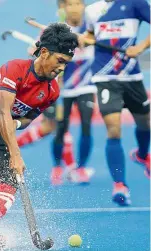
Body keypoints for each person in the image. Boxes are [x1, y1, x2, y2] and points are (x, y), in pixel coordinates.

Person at [0, 23, 78, 242]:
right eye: (60, 61)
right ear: (44, 52)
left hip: (0, 132)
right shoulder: (15, 68)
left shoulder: (52, 91)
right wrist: (16, 153)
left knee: (11, 180)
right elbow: (2, 113)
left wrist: (17, 126)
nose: (62, 68)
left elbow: (26, 119)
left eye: (66, 63)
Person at [81, 0, 150, 206]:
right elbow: (91, 35)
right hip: (104, 78)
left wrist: (141, 47)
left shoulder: (136, 3)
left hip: (132, 77)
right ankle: (120, 185)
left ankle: (142, 155)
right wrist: (86, 39)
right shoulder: (92, 10)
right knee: (113, 130)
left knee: (145, 124)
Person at [17, 0, 77, 174]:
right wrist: (38, 48)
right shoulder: (54, 31)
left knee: (53, 127)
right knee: (55, 127)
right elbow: (32, 51)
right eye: (67, 6)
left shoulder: (75, 31)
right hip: (49, 87)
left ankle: (64, 169)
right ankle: (67, 168)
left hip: (66, 89)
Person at [50, 0, 96, 186]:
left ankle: (81, 168)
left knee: (86, 126)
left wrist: (89, 40)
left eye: (78, 3)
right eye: (71, 4)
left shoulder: (91, 27)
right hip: (65, 90)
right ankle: (57, 167)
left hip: (86, 87)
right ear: (64, 8)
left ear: (83, 7)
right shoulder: (60, 30)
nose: (75, 8)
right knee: (61, 128)